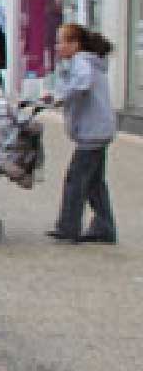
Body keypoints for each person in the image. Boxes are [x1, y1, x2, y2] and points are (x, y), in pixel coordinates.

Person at [44, 23, 118, 244]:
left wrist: (59, 97)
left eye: (61, 41)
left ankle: (68, 227)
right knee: (94, 182)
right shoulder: (87, 62)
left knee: (76, 180)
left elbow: (81, 84)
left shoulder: (82, 62)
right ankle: (104, 227)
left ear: (75, 44)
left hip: (92, 133)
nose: (58, 46)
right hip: (99, 130)